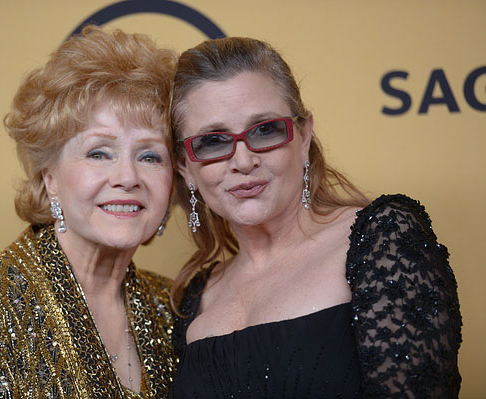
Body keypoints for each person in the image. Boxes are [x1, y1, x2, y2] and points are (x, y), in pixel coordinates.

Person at [169, 36, 461, 398]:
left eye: (265, 130)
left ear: (304, 135)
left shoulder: (382, 240)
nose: (243, 161)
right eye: (212, 141)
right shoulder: (193, 298)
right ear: (185, 166)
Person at [0, 26, 177, 398]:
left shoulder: (172, 306)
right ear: (50, 177)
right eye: (99, 153)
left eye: (150, 156)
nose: (127, 177)